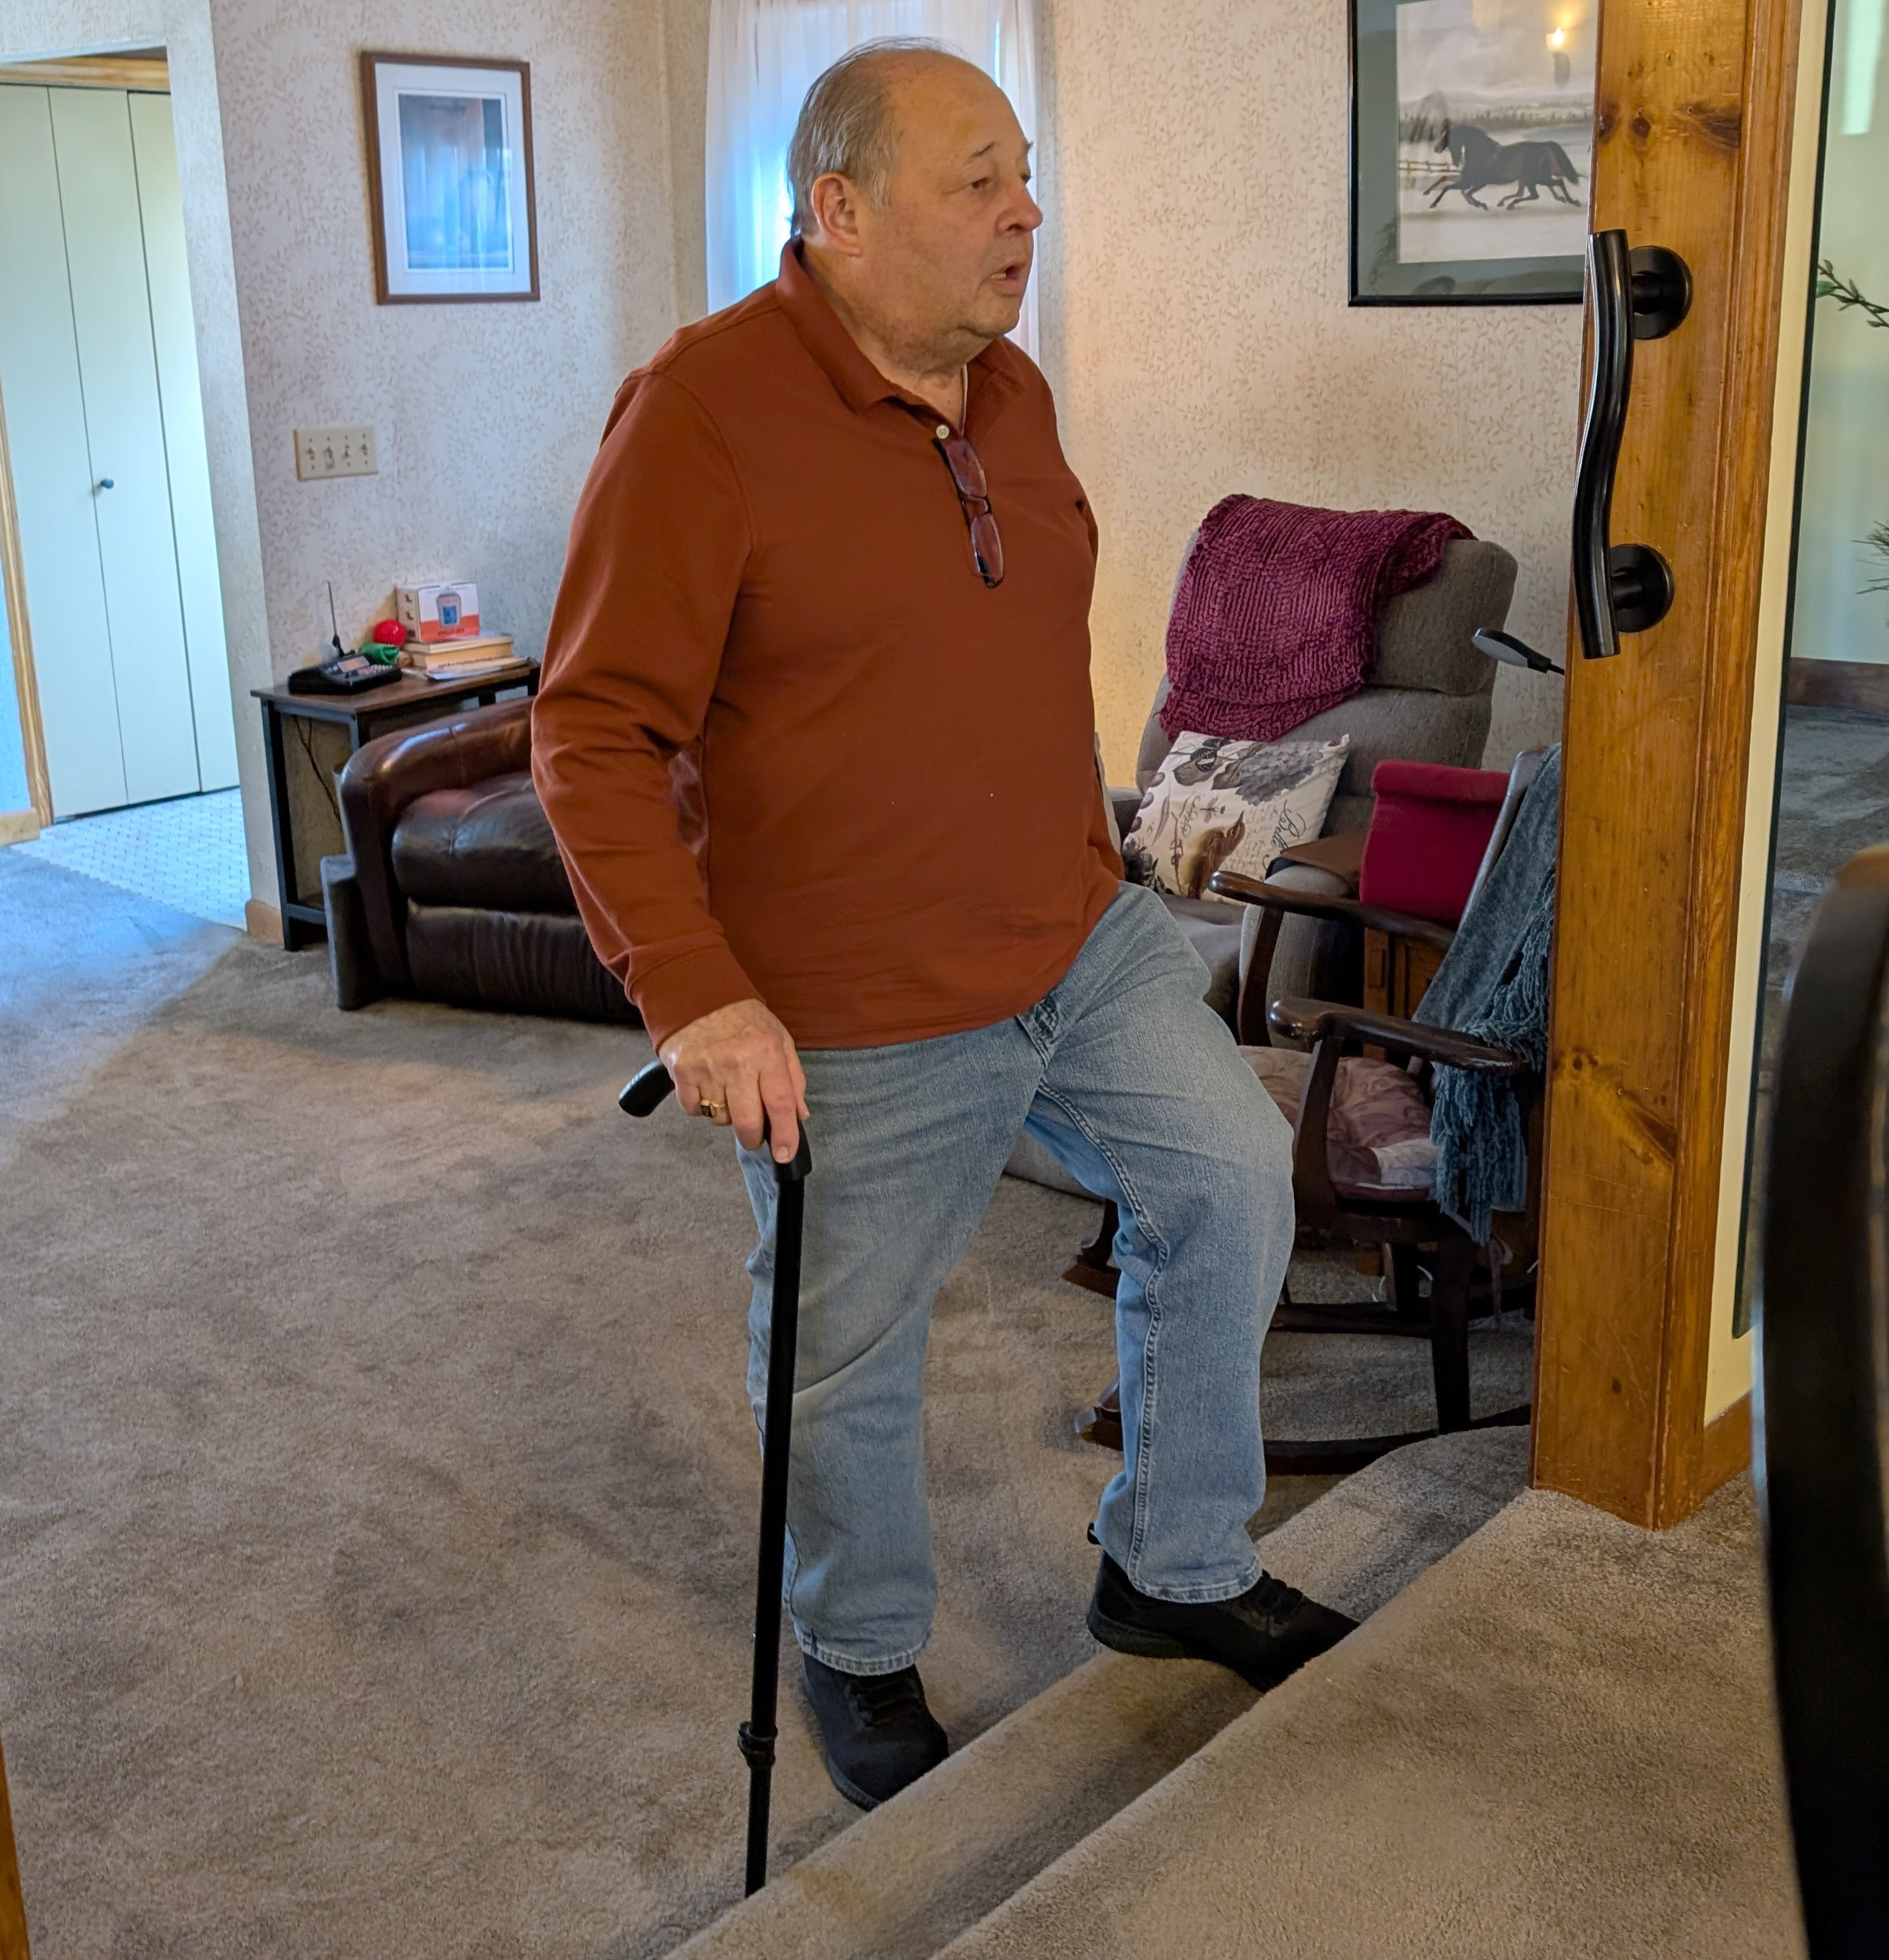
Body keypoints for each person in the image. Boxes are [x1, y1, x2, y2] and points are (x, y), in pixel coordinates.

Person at [532, 38, 1354, 1811]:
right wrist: (695, 996)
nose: (1026, 210)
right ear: (839, 209)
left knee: (1230, 1176)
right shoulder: (699, 412)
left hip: (1076, 934)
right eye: (979, 177)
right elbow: (590, 730)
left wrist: (1093, 847)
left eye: (1024, 171)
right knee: (846, 1352)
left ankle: (1176, 1563)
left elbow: (1017, 655)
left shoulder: (1012, 392)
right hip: (850, 1002)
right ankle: (858, 1643)